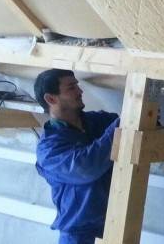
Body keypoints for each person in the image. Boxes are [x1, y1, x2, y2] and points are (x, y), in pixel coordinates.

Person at [34, 69, 119, 244]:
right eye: (71, 87)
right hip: (79, 235)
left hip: (112, 228)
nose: (80, 91)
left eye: (77, 86)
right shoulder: (49, 148)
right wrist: (126, 123)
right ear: (51, 99)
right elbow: (86, 168)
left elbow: (134, 128)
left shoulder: (97, 121)